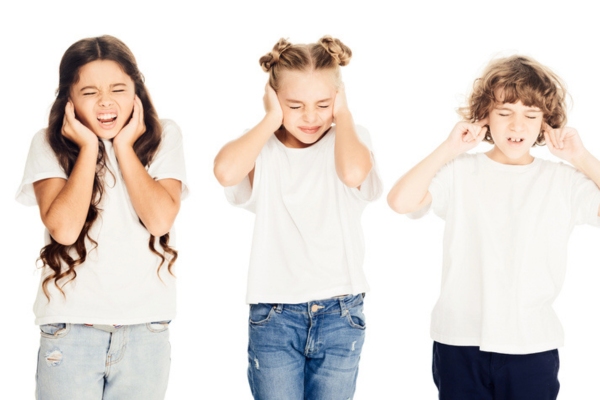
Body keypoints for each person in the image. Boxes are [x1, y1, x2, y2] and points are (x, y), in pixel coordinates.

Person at [387, 55, 600, 399]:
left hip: (532, 344)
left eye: (530, 115)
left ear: (546, 122)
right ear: (485, 115)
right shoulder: (459, 171)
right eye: (504, 113)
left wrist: (581, 157)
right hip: (459, 341)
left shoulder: (562, 181)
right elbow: (400, 202)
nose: (517, 126)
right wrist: (450, 148)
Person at [16, 35, 187, 399]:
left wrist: (123, 146)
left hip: (146, 330)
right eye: (90, 92)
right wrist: (90, 148)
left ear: (137, 93)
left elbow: (159, 220)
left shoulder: (164, 136)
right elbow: (64, 229)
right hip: (71, 329)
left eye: (118, 89)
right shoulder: (46, 143)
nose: (106, 101)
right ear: (69, 100)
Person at [214, 36, 382, 400]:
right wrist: (271, 118)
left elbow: (353, 174)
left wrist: (345, 116)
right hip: (274, 315)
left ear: (339, 98)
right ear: (273, 97)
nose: (310, 117)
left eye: (323, 104)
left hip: (341, 312)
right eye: (294, 105)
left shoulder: (351, 138)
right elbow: (226, 172)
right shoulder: (260, 146)